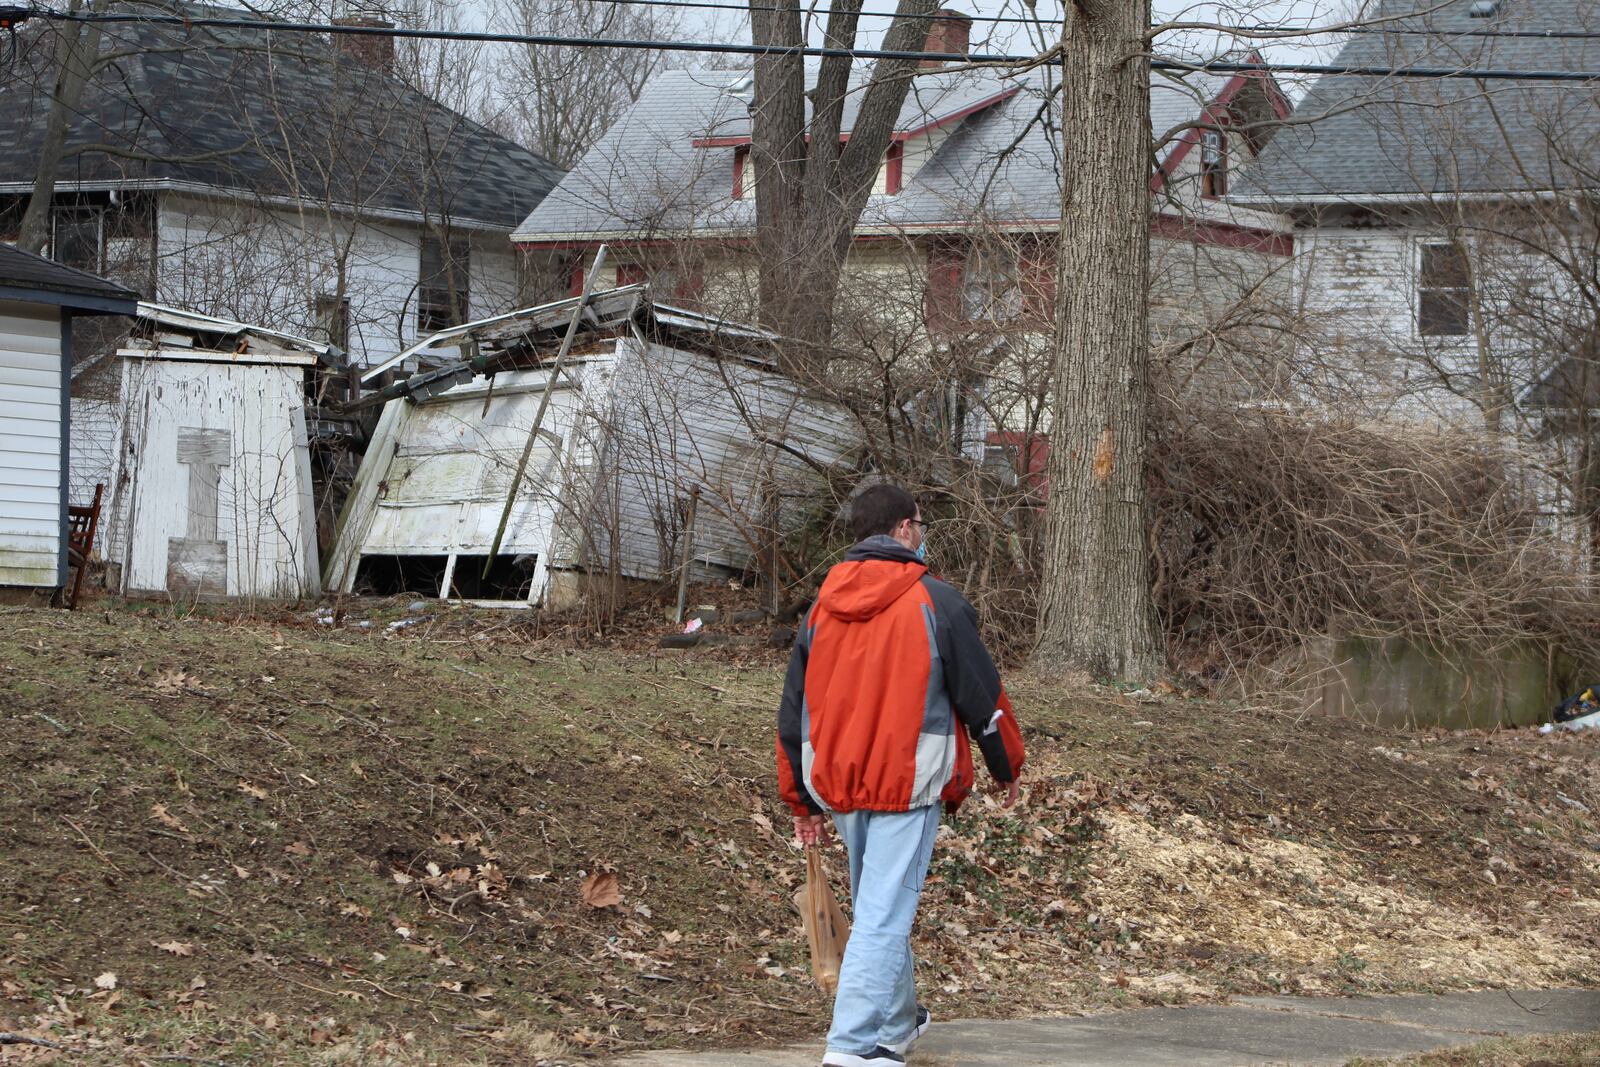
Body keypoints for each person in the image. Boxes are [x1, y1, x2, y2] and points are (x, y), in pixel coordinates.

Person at [777, 484, 1025, 1067]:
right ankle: (852, 1050)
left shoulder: (820, 608)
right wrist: (1005, 763)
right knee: (884, 917)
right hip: (907, 782)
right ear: (904, 530)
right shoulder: (935, 601)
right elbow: (982, 697)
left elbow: (793, 710)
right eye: (921, 523)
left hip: (837, 779)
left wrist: (801, 800)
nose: (923, 532)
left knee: (878, 909)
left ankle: (899, 1023)